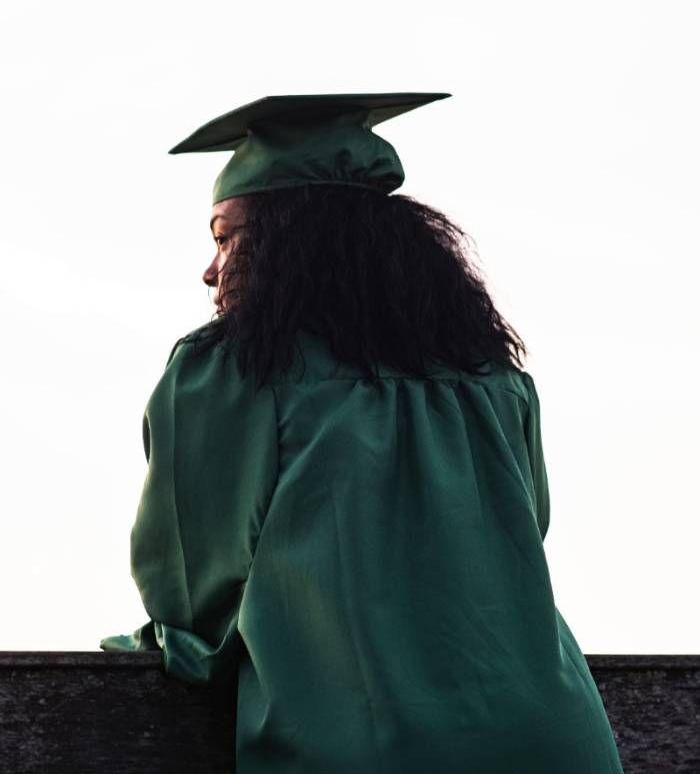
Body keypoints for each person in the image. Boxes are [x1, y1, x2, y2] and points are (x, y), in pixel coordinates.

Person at [101, 93, 625, 773]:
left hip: (368, 748)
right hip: (557, 742)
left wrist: (158, 643)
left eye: (225, 237)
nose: (210, 269)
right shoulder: (493, 377)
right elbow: (520, 540)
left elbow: (192, 598)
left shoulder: (229, 375)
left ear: (284, 246)